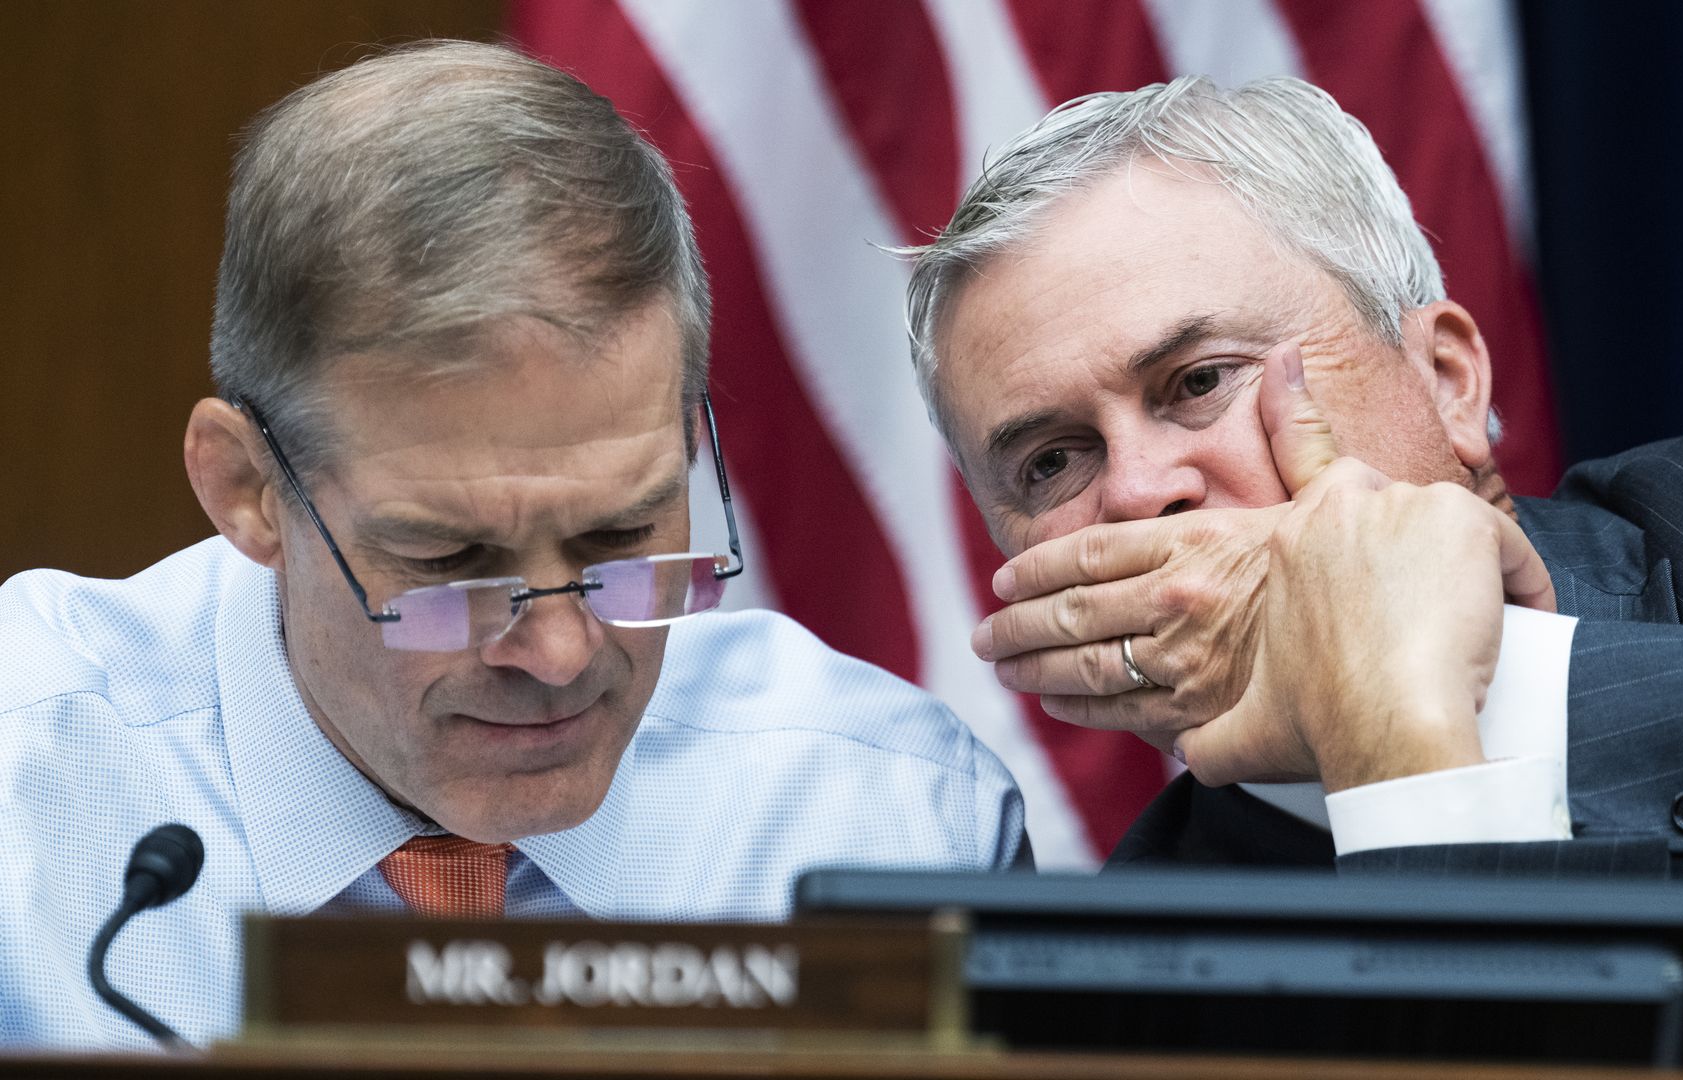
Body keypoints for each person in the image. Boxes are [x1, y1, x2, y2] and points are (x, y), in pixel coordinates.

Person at [0, 41, 1024, 1051]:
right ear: (246, 489)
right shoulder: (26, 806)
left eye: (622, 532)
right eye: (452, 562)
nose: (561, 652)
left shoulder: (895, 815)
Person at [906, 75, 1683, 1067]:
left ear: (1445, 381)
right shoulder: (1122, 1003)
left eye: (1198, 382)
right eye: (1051, 462)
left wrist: (1443, 678)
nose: (1136, 492)